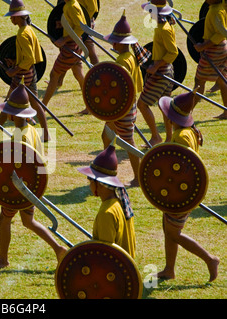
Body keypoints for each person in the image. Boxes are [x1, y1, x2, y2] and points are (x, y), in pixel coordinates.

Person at [0, 80, 67, 269]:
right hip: (30, 185)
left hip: (20, 188)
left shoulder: (19, 137)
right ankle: (58, 249)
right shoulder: (30, 129)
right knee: (28, 221)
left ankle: (2, 260)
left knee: (4, 219)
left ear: (13, 114)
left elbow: (14, 165)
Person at [156, 89, 220, 281]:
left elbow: (180, 168)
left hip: (182, 192)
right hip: (179, 190)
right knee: (168, 226)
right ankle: (169, 269)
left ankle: (209, 259)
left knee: (174, 232)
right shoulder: (187, 131)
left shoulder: (182, 136)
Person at [101, 11, 144, 187]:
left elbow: (119, 88)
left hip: (123, 107)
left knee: (129, 143)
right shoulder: (129, 56)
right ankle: (105, 168)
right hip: (124, 106)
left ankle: (138, 178)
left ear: (119, 43)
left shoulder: (123, 61)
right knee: (106, 135)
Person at [1, 0, 50, 142]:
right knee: (34, 103)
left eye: (12, 16)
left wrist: (14, 70)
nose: (11, 18)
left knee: (10, 103)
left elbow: (28, 58)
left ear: (18, 16)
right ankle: (45, 133)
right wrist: (15, 62)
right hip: (29, 71)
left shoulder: (23, 34)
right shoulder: (28, 29)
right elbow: (26, 56)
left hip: (24, 74)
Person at [77, 142, 136, 258]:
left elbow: (105, 256)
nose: (89, 186)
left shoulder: (107, 214)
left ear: (98, 184)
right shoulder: (118, 203)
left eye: (90, 181)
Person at [137, 0, 178, 146]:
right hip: (165, 70)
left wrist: (156, 66)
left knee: (142, 104)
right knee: (164, 106)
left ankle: (156, 137)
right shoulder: (162, 26)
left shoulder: (164, 29)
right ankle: (169, 139)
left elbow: (173, 52)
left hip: (162, 72)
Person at [42, 0, 88, 115]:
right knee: (79, 74)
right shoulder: (70, 5)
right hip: (75, 45)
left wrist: (64, 39)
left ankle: (42, 108)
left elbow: (80, 28)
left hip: (71, 46)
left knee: (54, 74)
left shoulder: (72, 6)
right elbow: (72, 24)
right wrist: (61, 25)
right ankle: (90, 106)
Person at [193, 0, 227, 119]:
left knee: (199, 81)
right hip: (222, 48)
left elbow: (220, 34)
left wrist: (203, 46)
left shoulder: (216, 11)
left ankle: (185, 113)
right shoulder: (219, 7)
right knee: (222, 80)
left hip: (215, 49)